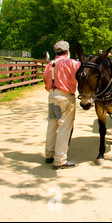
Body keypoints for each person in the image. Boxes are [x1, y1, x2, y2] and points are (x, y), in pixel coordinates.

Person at [43, 41, 81, 170]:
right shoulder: (72, 63)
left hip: (52, 95)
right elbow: (82, 74)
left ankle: (49, 154)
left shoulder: (49, 64)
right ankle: (60, 159)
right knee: (64, 128)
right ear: (67, 51)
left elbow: (44, 79)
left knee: (52, 125)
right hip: (65, 96)